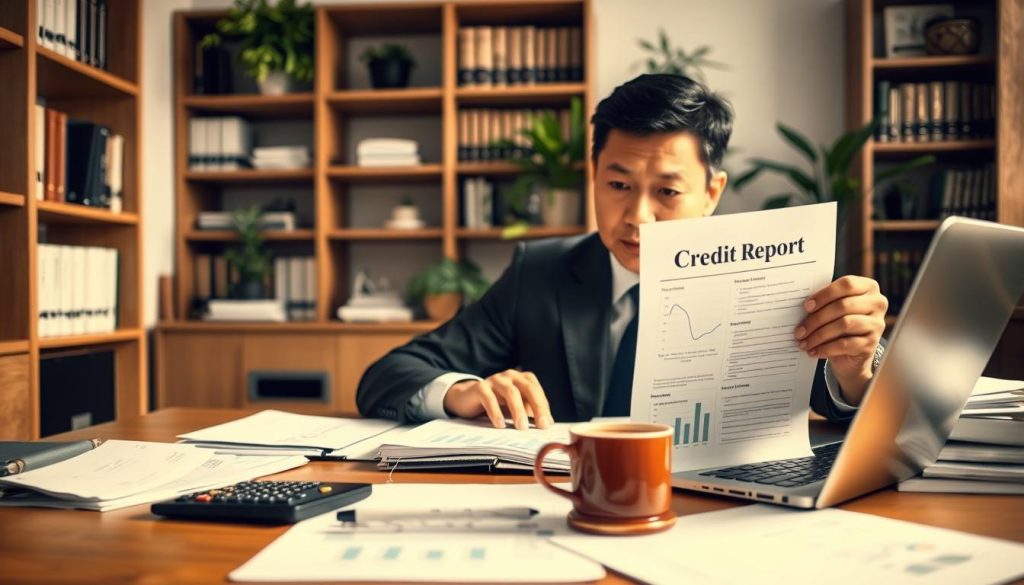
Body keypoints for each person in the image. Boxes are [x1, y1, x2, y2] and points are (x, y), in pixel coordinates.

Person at [357, 74, 887, 430]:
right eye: (618, 185)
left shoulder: (767, 276)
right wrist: (462, 391)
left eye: (668, 192)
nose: (638, 218)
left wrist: (856, 370)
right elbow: (390, 374)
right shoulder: (539, 273)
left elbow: (846, 402)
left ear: (712, 194)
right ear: (592, 178)